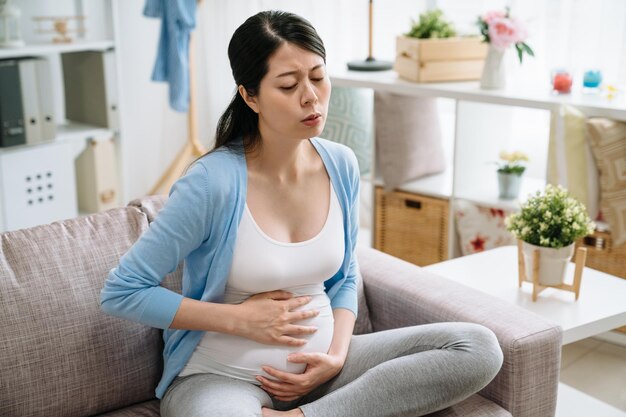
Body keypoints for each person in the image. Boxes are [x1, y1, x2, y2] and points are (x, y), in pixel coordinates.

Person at [100, 10, 503, 417]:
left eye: (318, 76)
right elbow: (122, 292)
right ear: (250, 96)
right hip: (221, 378)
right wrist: (239, 320)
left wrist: (336, 354)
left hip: (325, 373)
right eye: (289, 85)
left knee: (478, 347)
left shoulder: (340, 164)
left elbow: (346, 273)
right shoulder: (211, 182)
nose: (310, 96)